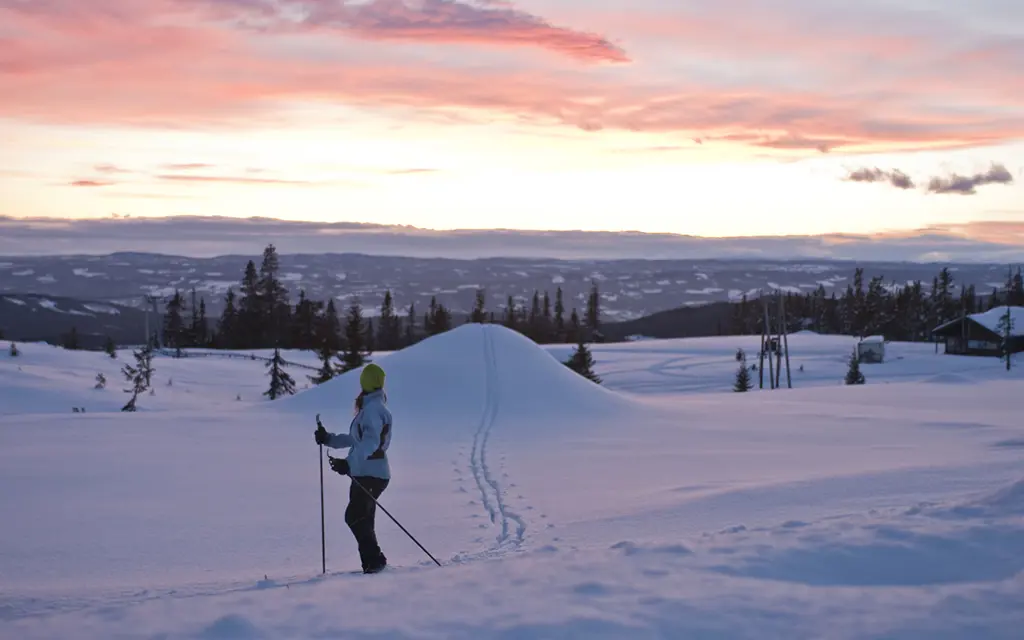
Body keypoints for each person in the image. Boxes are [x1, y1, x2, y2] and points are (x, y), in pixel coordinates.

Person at [314, 363, 393, 574]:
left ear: (366, 383)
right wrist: (328, 439)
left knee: (355, 516)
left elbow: (369, 443)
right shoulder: (371, 409)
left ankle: (375, 561)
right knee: (363, 518)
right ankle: (372, 565)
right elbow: (356, 439)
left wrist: (349, 464)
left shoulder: (373, 411)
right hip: (367, 473)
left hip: (370, 474)